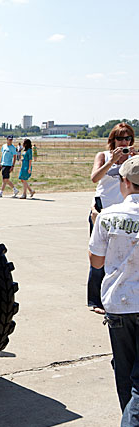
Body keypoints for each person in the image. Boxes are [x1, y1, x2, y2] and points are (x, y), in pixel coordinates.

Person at [88, 155, 139, 427]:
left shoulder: (109, 215)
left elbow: (96, 262)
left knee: (125, 376)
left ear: (124, 183)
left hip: (118, 305)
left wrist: (97, 224)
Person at [88, 123, 136, 312]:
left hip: (126, 213)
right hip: (102, 211)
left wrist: (133, 158)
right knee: (98, 255)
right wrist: (112, 161)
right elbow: (94, 178)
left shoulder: (134, 159)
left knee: (123, 256)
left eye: (128, 139)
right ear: (112, 140)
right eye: (120, 139)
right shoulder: (103, 156)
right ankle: (95, 300)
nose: (124, 142)